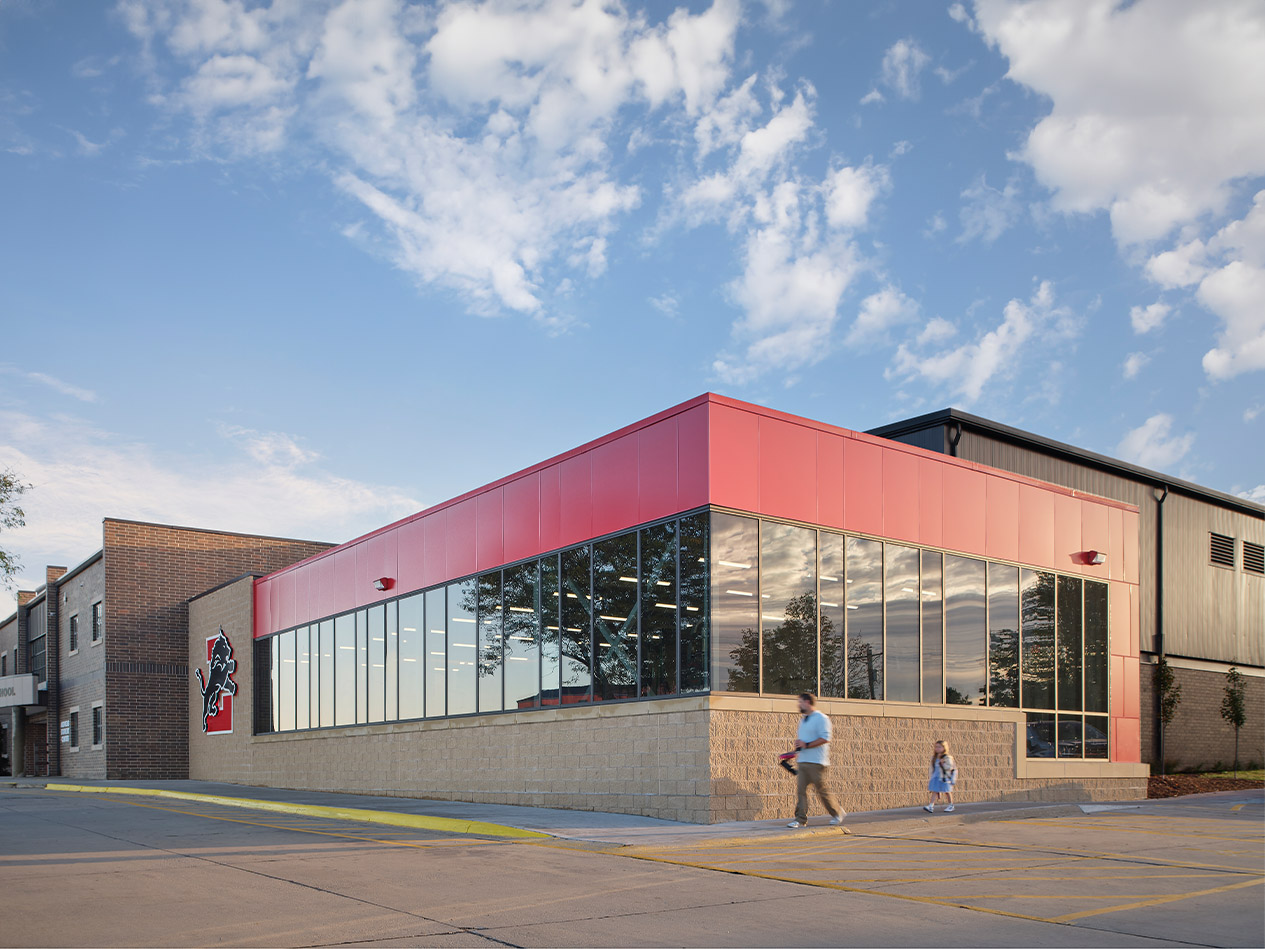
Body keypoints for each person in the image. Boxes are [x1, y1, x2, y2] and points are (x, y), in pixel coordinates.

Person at [787, 693, 846, 829]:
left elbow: (825, 738)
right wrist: (797, 748)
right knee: (801, 790)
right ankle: (800, 819)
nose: (798, 705)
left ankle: (837, 813)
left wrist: (806, 744)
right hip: (803, 761)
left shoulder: (821, 718)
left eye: (800, 702)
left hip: (817, 762)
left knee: (821, 790)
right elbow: (803, 741)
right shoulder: (803, 720)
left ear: (807, 702)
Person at [924, 739, 957, 812]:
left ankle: (951, 805)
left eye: (939, 747)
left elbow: (950, 767)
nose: (937, 748)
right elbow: (932, 768)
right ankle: (931, 806)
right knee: (934, 791)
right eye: (936, 747)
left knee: (947, 791)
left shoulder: (947, 757)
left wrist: (943, 764)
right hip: (936, 777)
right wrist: (931, 776)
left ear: (944, 748)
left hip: (944, 778)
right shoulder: (934, 758)